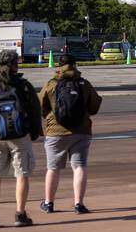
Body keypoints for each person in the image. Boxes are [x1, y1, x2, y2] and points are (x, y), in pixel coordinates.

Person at [0, 50, 44, 229]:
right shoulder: (23, 85)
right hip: (20, 136)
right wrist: (36, 131)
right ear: (15, 64)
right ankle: (20, 214)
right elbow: (34, 110)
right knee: (22, 174)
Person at [39, 53, 103, 214]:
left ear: (59, 66)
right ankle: (78, 204)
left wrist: (50, 117)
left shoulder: (51, 84)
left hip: (56, 131)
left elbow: (40, 105)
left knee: (53, 168)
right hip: (81, 131)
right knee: (79, 167)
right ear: (75, 65)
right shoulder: (84, 83)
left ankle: (49, 203)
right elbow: (94, 107)